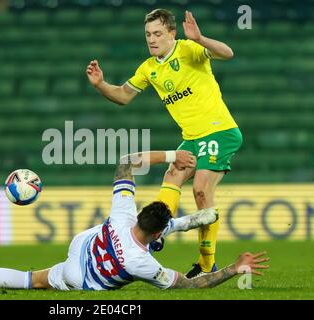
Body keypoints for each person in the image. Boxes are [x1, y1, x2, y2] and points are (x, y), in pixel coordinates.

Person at [0, 150, 268, 291]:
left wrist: (172, 156)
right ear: (154, 235)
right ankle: (190, 221)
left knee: (29, 277)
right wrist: (234, 268)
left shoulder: (125, 213)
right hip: (82, 276)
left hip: (85, 243)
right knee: (32, 282)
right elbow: (195, 283)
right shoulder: (144, 264)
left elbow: (126, 162)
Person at [86, 8, 243, 278]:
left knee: (201, 190)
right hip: (192, 138)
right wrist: (101, 84)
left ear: (172, 33)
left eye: (158, 33)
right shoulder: (149, 68)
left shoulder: (188, 49)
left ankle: (206, 265)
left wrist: (201, 38)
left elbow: (227, 53)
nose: (152, 39)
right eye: (148, 34)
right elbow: (123, 96)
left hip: (220, 131)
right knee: (171, 176)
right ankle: (158, 232)